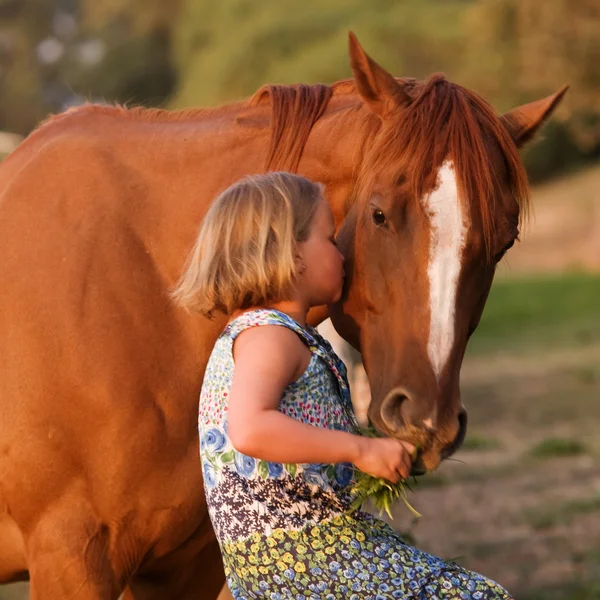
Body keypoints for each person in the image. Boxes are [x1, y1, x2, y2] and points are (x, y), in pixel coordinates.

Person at [172, 172, 513, 599]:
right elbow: (250, 429)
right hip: (302, 553)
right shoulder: (268, 336)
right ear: (289, 253)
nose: (344, 254)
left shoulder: (268, 334)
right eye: (331, 240)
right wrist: (361, 449)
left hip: (289, 556)